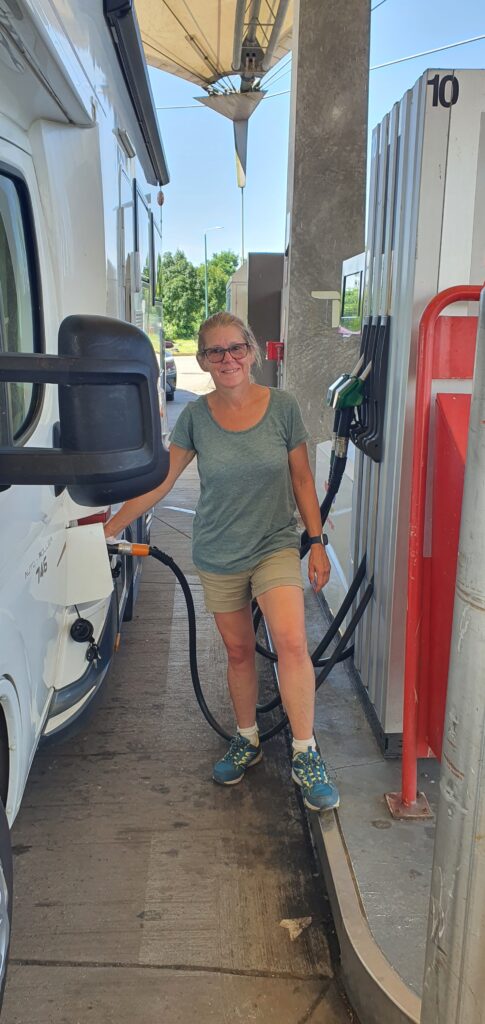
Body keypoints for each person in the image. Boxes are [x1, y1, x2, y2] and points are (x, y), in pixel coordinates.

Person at [105, 312, 339, 813]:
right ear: (203, 360)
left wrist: (316, 541)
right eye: (215, 351)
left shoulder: (283, 407)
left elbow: (301, 479)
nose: (227, 359)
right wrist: (106, 527)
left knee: (293, 642)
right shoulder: (196, 417)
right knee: (238, 653)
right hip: (218, 549)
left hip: (274, 542)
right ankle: (248, 739)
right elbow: (162, 481)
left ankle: (305, 752)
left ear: (251, 352)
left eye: (236, 348)